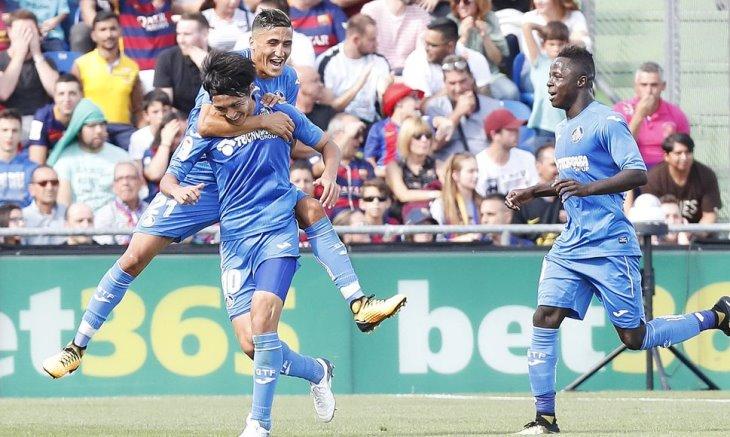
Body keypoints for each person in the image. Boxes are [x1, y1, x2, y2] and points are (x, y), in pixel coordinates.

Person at [42, 9, 406, 382]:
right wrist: (262, 121)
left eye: (287, 44)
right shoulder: (229, 71)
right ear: (253, 42)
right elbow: (206, 123)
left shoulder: (289, 78)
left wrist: (319, 160)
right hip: (202, 180)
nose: (280, 52)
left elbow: (285, 132)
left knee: (310, 211)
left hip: (252, 184)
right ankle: (77, 347)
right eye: (272, 43)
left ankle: (359, 304)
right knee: (134, 258)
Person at [504, 45, 730, 435]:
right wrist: (535, 190)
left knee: (634, 337)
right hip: (571, 244)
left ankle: (717, 316)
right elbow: (572, 181)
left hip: (610, 244)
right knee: (545, 316)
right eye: (550, 76)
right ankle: (545, 418)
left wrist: (588, 190)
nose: (549, 83)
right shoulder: (562, 129)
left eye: (557, 76)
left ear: (582, 81)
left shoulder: (608, 121)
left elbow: (637, 173)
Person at [163, 51, 338, 436]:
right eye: (220, 107)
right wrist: (177, 191)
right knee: (251, 344)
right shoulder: (208, 127)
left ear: (250, 91)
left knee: (262, 322)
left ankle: (259, 423)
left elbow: (326, 144)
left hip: (276, 231)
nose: (229, 114)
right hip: (235, 241)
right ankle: (316, 370)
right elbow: (168, 177)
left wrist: (328, 173)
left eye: (234, 105)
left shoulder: (280, 112)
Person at [72, 11, 144, 150]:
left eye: (113, 29)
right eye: (103, 30)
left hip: (124, 130)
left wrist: (146, 135)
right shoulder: (80, 65)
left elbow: (138, 109)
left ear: (120, 31)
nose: (108, 34)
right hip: (93, 127)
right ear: (93, 35)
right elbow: (75, 105)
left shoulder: (132, 66)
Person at [50, 99, 131, 211]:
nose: (98, 130)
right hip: (80, 219)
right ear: (79, 130)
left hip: (117, 219)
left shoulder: (122, 157)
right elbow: (63, 205)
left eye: (102, 124)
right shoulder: (65, 160)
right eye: (91, 125)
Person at [316, 13, 391, 125]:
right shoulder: (328, 62)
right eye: (372, 40)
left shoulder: (380, 61)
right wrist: (359, 83)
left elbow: (384, 104)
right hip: (338, 122)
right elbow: (328, 109)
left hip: (373, 122)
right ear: (356, 40)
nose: (376, 44)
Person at [613, 62, 691, 168]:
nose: (649, 91)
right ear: (636, 86)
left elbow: (684, 150)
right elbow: (621, 148)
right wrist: (639, 115)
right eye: (644, 85)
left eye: (654, 85)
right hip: (632, 168)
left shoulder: (676, 114)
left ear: (663, 86)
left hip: (665, 170)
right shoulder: (621, 110)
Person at [424, 55, 501, 161]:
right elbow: (435, 146)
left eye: (463, 81)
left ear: (472, 78)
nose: (458, 88)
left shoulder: (493, 106)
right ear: (444, 83)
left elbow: (502, 143)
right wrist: (458, 113)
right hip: (451, 166)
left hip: (485, 163)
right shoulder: (436, 107)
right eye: (452, 83)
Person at [0, 9, 59, 136]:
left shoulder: (45, 61)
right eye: (21, 32)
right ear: (10, 32)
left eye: (30, 31)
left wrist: (37, 54)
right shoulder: (1, 59)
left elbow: (56, 92)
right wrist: (19, 55)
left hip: (39, 121)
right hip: (8, 125)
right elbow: (3, 93)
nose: (26, 36)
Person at [641, 133, 721, 224]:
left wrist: (693, 231)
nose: (684, 157)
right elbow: (649, 215)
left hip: (697, 230)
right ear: (666, 156)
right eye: (678, 153)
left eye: (688, 152)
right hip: (663, 229)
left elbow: (710, 215)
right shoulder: (654, 178)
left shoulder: (706, 175)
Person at [447, 0, 519, 100]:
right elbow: (450, 59)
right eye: (457, 1)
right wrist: (463, 37)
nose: (461, 5)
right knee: (482, 96)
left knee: (511, 92)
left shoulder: (490, 18)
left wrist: (485, 36)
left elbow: (498, 60)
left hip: (490, 73)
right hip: (461, 76)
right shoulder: (450, 21)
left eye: (467, 2)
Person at [402, 17, 492, 98]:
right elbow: (420, 105)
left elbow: (485, 97)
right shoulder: (415, 62)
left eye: (432, 45)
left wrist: (467, 77)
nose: (426, 48)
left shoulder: (474, 58)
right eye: (426, 43)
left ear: (450, 46)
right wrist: (450, 87)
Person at [521, 20, 568, 148]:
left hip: (565, 124)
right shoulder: (539, 62)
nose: (556, 48)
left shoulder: (571, 66)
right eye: (551, 44)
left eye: (560, 44)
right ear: (543, 45)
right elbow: (526, 26)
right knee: (543, 156)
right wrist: (545, 30)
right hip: (543, 124)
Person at [153, 12, 210, 116]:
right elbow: (164, 104)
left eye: (187, 34)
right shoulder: (167, 58)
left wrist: (206, 65)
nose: (181, 40)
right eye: (178, 34)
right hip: (179, 120)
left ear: (205, 34)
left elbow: (223, 98)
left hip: (213, 119)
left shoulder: (221, 59)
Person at [384, 117, 440, 218]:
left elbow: (449, 190)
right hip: (402, 220)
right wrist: (435, 194)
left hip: (433, 218)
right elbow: (403, 195)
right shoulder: (394, 167)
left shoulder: (438, 165)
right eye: (418, 136)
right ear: (406, 139)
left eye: (428, 136)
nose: (424, 140)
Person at [233, 0, 317, 68]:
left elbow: (306, 76)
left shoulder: (301, 42)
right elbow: (235, 72)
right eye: (257, 17)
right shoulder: (245, 39)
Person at [475, 108, 539, 196]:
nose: (517, 132)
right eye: (511, 129)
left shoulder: (527, 158)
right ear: (494, 134)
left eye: (517, 129)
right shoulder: (478, 164)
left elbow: (535, 192)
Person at [364, 82, 424, 175]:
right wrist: (376, 172)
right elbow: (369, 157)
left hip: (412, 173)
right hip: (386, 173)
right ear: (399, 102)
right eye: (413, 98)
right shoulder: (379, 128)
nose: (417, 103)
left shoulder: (418, 126)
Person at [511, 143, 564, 245]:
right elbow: (516, 239)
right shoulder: (524, 200)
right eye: (553, 165)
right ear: (538, 166)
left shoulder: (572, 197)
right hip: (532, 253)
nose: (558, 170)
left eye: (561, 165)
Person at [325, 113, 374, 218]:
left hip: (361, 223)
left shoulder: (366, 166)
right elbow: (322, 166)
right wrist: (348, 135)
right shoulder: (320, 159)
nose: (360, 140)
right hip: (330, 223)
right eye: (356, 135)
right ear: (337, 135)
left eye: (361, 135)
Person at [360, 0, 431, 73]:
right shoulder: (371, 10)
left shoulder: (421, 14)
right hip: (375, 69)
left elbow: (421, 53)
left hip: (408, 72)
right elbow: (363, 49)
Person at [26, 74, 83, 164]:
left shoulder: (87, 116)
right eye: (61, 94)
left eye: (72, 93)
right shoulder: (39, 118)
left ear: (81, 96)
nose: (67, 99)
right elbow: (36, 161)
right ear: (55, 97)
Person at [430, 152, 482, 242]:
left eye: (477, 171)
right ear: (456, 175)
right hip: (452, 250)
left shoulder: (482, 202)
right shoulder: (441, 204)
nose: (476, 176)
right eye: (471, 171)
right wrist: (459, 241)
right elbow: (436, 241)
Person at [95, 162, 149, 245]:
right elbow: (103, 247)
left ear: (141, 182)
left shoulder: (151, 211)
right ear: (114, 185)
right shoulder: (104, 214)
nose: (125, 183)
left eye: (130, 178)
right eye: (120, 179)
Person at [142, 110, 186, 200]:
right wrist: (166, 143)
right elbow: (154, 174)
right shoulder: (152, 152)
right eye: (176, 134)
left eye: (185, 135)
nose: (181, 140)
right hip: (158, 202)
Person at [0, 109, 37, 207]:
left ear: (21, 134)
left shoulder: (32, 168)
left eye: (14, 131)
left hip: (24, 214)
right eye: (4, 130)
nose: (10, 135)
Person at [520, 0, 591, 52]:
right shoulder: (529, 18)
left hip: (570, 64)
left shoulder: (575, 16)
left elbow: (585, 47)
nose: (538, 2)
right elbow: (532, 57)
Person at [22, 165, 67, 245]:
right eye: (43, 183)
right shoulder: (23, 217)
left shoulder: (67, 214)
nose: (49, 188)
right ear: (31, 189)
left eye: (54, 183)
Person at [128, 90, 173, 163]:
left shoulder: (178, 133)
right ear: (146, 115)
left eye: (165, 110)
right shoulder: (138, 138)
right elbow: (138, 165)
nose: (161, 116)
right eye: (155, 112)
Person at [293, 65, 336, 130]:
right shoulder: (286, 116)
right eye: (315, 81)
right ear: (298, 85)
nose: (321, 85)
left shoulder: (327, 112)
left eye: (319, 80)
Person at [359, 178, 398, 243]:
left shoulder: (393, 224)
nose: (376, 202)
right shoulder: (355, 227)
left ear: (388, 203)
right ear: (361, 204)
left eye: (381, 199)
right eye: (370, 199)